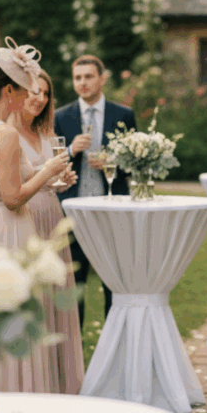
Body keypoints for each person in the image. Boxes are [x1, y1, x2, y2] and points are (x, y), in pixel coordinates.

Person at [0, 40, 70, 391]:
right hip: (11, 229)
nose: (27, 99)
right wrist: (48, 169)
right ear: (8, 89)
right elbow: (12, 198)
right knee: (19, 315)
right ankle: (23, 394)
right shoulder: (5, 134)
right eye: (23, 92)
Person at [9, 67, 85, 394]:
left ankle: (60, 382)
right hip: (25, 219)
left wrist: (59, 181)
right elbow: (13, 187)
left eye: (45, 93)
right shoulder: (6, 134)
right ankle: (34, 383)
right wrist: (47, 175)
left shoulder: (47, 133)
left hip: (51, 217)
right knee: (35, 299)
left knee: (56, 299)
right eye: (33, 91)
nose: (39, 98)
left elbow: (44, 181)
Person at [55, 54, 137, 323]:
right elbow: (49, 164)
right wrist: (70, 149)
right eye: (78, 77)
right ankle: (74, 356)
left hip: (112, 212)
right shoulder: (60, 117)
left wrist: (113, 161)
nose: (82, 83)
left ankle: (114, 347)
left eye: (88, 76)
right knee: (74, 286)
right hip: (72, 214)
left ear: (102, 79)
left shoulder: (123, 115)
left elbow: (137, 161)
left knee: (114, 284)